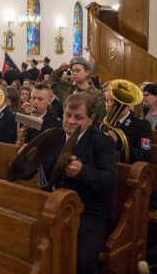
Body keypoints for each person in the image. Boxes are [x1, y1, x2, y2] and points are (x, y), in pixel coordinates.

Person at [25, 93, 118, 274]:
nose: (71, 121)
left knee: (81, 262)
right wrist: (27, 158)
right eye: (68, 115)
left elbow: (111, 181)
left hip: (88, 212)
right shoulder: (54, 136)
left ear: (91, 119)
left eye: (78, 117)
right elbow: (35, 173)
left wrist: (82, 172)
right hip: (53, 206)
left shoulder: (101, 141)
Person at [50, 56, 107, 126]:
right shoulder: (68, 89)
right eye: (72, 71)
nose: (74, 73)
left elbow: (100, 120)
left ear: (87, 72)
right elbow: (53, 81)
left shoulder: (96, 95)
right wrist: (61, 69)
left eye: (77, 70)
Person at [105, 89, 152, 164]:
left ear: (125, 102)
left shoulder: (141, 124)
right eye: (106, 101)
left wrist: (119, 142)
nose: (109, 105)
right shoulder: (105, 123)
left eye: (113, 101)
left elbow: (144, 156)